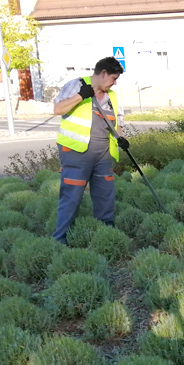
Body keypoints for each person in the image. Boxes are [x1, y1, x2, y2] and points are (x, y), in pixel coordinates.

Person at [51, 56, 130, 244]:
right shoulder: (76, 85)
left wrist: (121, 138)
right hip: (76, 152)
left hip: (103, 153)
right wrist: (81, 96)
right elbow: (57, 109)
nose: (114, 83)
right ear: (103, 73)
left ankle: (106, 234)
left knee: (106, 194)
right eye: (113, 78)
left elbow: (116, 121)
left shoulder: (112, 96)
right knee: (72, 196)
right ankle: (60, 239)